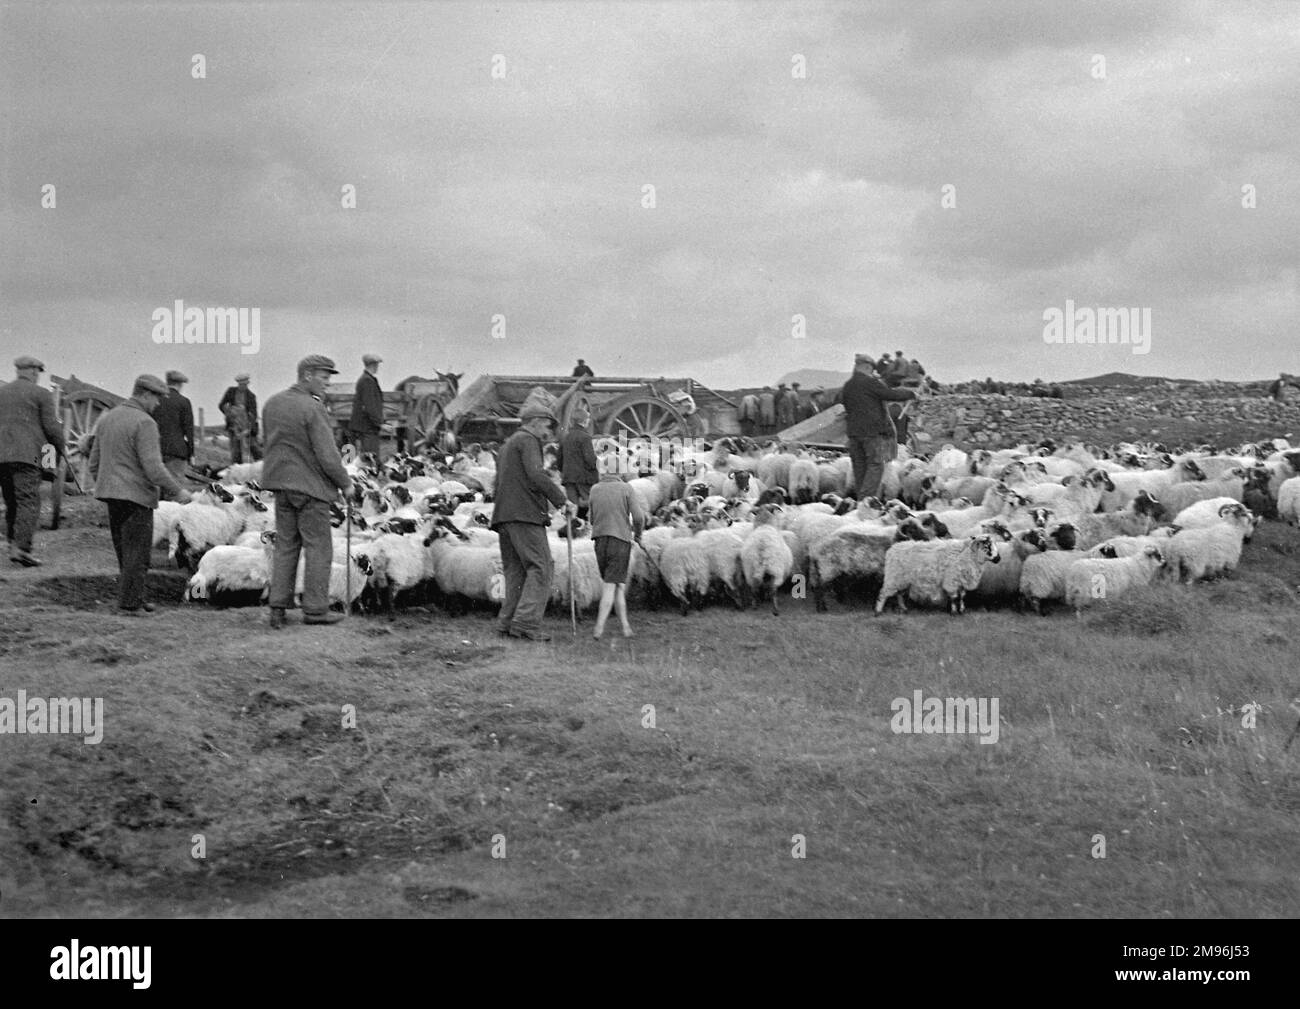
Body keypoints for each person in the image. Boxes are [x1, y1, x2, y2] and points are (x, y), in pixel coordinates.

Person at [89, 374, 193, 614]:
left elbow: (94, 462)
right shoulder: (145, 422)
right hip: (136, 497)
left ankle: (132, 597)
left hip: (111, 495)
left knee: (124, 551)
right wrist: (179, 492)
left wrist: (108, 485)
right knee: (138, 553)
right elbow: (154, 467)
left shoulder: (108, 418)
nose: (157, 404)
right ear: (145, 394)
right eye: (156, 398)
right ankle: (129, 605)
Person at [262, 356, 353, 628]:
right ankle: (315, 610)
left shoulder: (272, 404)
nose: (327, 384)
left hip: (280, 485)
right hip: (310, 489)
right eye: (324, 378)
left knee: (286, 546)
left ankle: (277, 608)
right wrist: (345, 483)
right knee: (318, 547)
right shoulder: (312, 408)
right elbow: (327, 455)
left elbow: (267, 443)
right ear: (308, 375)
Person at [492, 395, 575, 641]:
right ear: (536, 422)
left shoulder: (508, 444)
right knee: (541, 567)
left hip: (504, 515)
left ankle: (506, 624)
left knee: (516, 570)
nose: (548, 431)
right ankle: (526, 625)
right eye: (548, 425)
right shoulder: (528, 441)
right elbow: (536, 475)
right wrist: (562, 501)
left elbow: (498, 482)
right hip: (525, 515)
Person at [0, 355, 66, 567]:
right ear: (33, 371)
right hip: (28, 457)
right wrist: (60, 449)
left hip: (2, 457)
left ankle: (12, 544)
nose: (38, 375)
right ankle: (22, 549)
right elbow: (51, 428)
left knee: (11, 501)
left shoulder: (1, 392)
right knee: (28, 501)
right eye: (38, 371)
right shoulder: (41, 393)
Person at [841, 353, 916, 499]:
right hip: (871, 433)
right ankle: (866, 500)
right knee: (876, 465)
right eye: (870, 369)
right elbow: (889, 394)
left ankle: (860, 502)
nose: (872, 373)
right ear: (866, 367)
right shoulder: (869, 383)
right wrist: (910, 394)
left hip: (854, 434)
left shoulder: (848, 386)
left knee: (859, 467)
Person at [588, 451, 646, 640]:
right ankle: (599, 627)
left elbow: (591, 518)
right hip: (620, 540)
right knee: (611, 585)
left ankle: (625, 627)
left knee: (616, 584)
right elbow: (638, 517)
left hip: (599, 540)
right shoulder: (626, 488)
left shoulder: (595, 489)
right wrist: (638, 534)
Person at [556, 404, 598, 518]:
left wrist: (564, 471)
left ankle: (572, 532)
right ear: (585, 421)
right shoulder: (585, 437)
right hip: (584, 480)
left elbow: (559, 460)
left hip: (569, 479)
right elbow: (590, 460)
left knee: (572, 510)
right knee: (587, 507)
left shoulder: (565, 437)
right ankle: (584, 531)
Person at [154, 370, 195, 483]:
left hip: (156, 449)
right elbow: (189, 431)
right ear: (180, 385)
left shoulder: (156, 400)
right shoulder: (184, 402)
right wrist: (191, 454)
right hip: (176, 452)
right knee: (175, 488)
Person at [347, 353, 385, 459]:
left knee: (359, 458)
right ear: (374, 365)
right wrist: (380, 424)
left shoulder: (366, 379)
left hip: (362, 425)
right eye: (377, 364)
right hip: (368, 427)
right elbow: (370, 406)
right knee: (370, 459)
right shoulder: (367, 381)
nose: (378, 367)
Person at [219, 373, 260, 463]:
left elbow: (254, 414)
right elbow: (221, 405)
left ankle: (262, 467)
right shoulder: (231, 391)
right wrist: (230, 413)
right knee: (236, 452)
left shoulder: (251, 396)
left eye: (245, 384)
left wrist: (248, 427)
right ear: (238, 383)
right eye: (241, 384)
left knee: (255, 449)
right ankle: (237, 471)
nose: (243, 386)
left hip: (247, 428)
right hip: (233, 427)